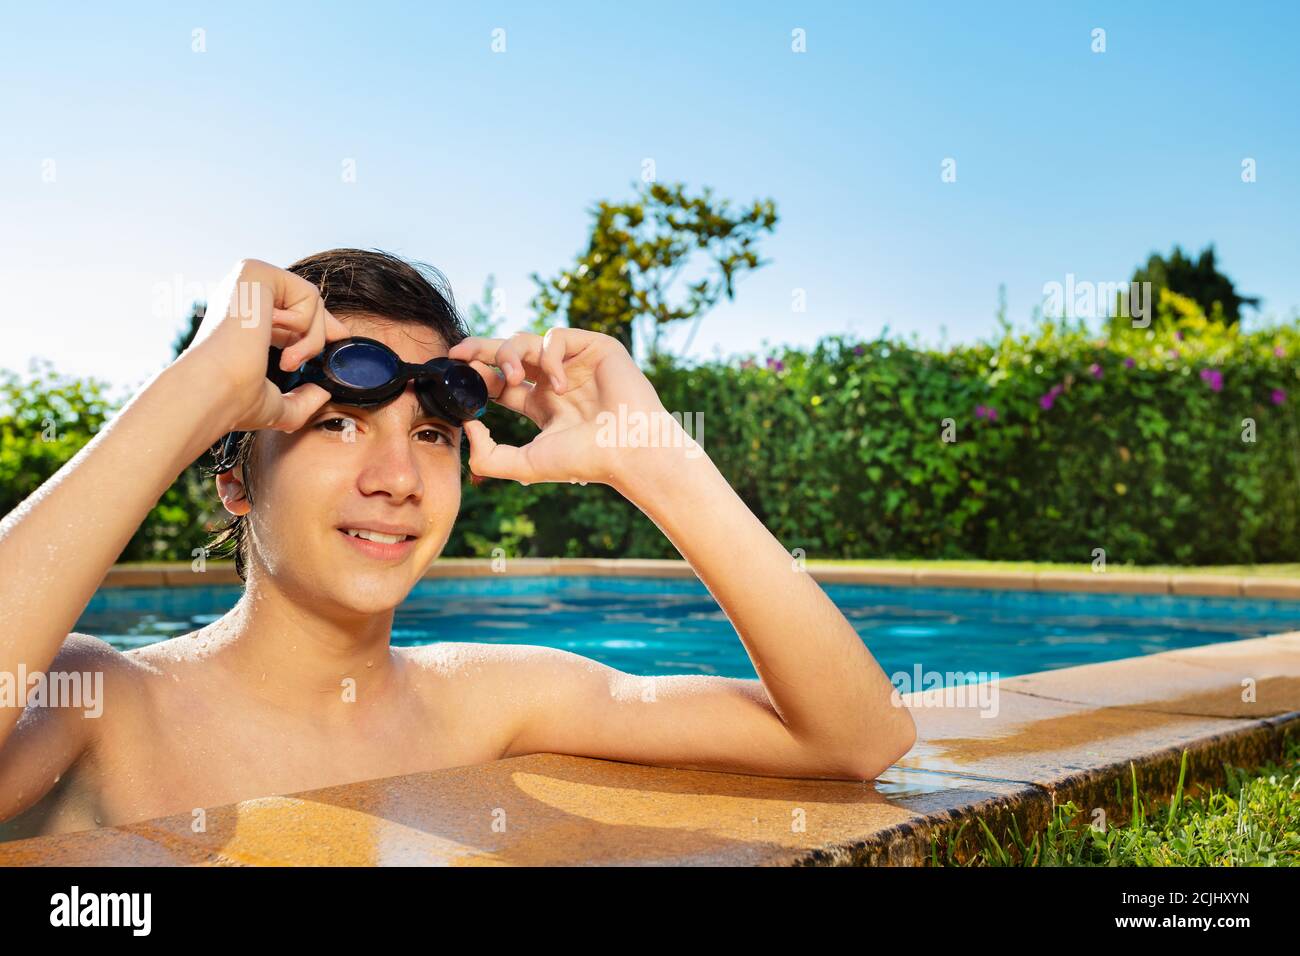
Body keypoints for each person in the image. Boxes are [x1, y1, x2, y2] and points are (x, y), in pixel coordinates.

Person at [0, 249, 916, 839]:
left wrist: (656, 462)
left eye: (431, 434)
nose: (397, 477)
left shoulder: (488, 700)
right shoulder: (103, 709)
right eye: (340, 425)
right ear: (235, 477)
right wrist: (193, 391)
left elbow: (855, 735)